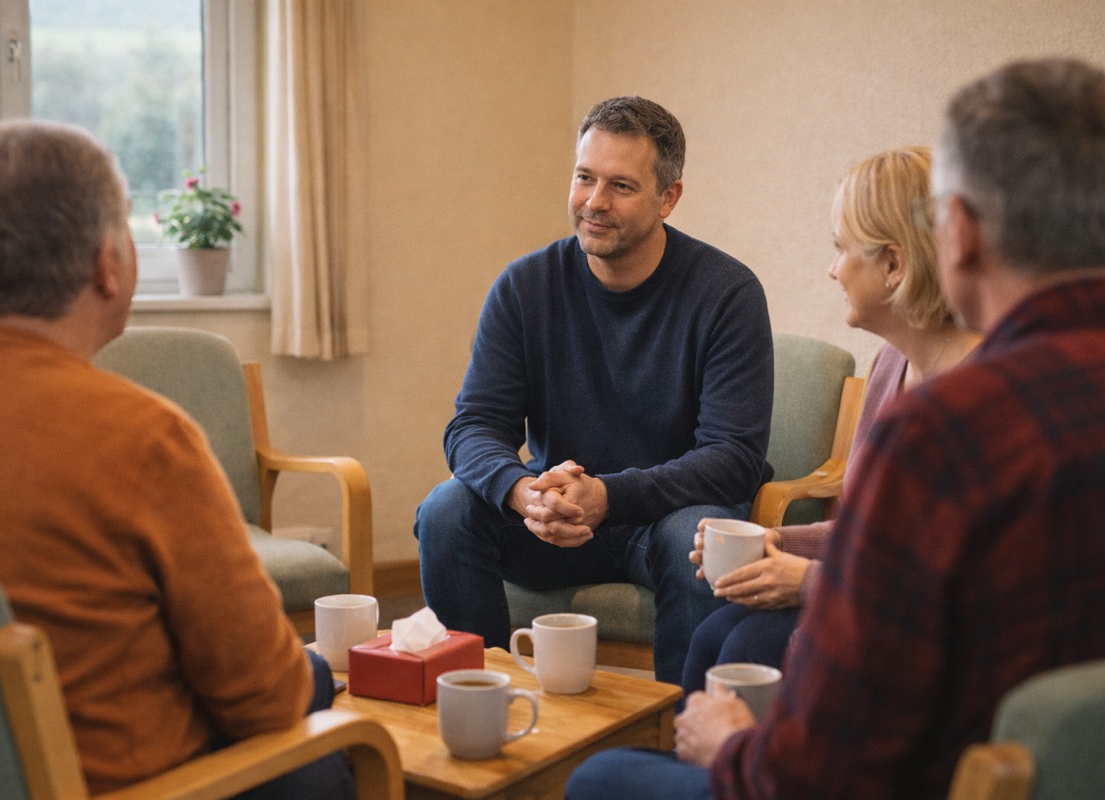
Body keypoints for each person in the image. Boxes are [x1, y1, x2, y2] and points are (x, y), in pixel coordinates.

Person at [567, 56, 1105, 799]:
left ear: (961, 235)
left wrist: (731, 747)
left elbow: (814, 772)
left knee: (601, 775)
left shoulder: (947, 435)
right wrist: (788, 547)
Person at [0, 120, 351, 799]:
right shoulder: (145, 439)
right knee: (321, 729)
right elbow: (264, 696)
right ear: (104, 264)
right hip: (109, 781)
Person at [414, 96, 774, 683]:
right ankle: (479, 699)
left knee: (701, 538)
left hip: (669, 515)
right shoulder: (524, 286)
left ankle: (686, 741)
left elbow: (733, 458)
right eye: (585, 177)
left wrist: (608, 495)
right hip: (557, 513)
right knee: (447, 510)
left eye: (622, 186)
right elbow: (475, 424)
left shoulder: (726, 293)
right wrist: (523, 492)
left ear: (668, 197)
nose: (594, 203)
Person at [680, 146, 980, 688]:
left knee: (745, 644)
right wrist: (774, 544)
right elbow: (865, 531)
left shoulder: (980, 395)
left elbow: (950, 581)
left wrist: (810, 583)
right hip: (860, 587)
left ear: (894, 264)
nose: (832, 268)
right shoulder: (891, 364)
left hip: (915, 637)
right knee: (713, 631)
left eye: (842, 249)